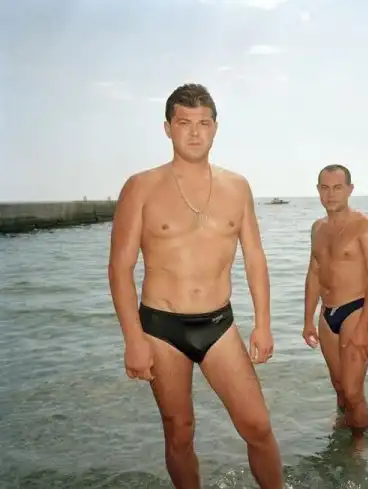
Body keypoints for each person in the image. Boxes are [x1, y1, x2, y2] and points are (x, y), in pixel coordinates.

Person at [107, 83, 283, 489]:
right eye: (184, 123)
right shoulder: (141, 187)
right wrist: (133, 339)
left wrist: (263, 324)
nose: (194, 132)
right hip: (161, 328)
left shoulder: (237, 186)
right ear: (167, 128)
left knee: (257, 425)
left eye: (203, 123)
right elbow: (120, 268)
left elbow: (255, 257)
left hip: (219, 324)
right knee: (179, 431)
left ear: (215, 128)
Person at [302, 164, 368, 434]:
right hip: (327, 313)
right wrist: (308, 320)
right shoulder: (317, 228)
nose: (331, 194)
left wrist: (363, 328)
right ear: (318, 190)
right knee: (338, 386)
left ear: (350, 189)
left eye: (338, 187)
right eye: (325, 188)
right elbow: (314, 272)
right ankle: (342, 435)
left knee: (352, 391)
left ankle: (360, 446)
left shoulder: (366, 227)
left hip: (356, 311)